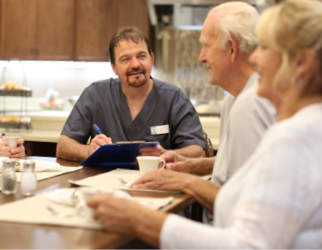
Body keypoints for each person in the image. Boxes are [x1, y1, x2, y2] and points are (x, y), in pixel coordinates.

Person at [87, 0, 322, 248]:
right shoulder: (305, 127)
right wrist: (192, 168)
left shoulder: (293, 137)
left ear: (301, 63)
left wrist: (140, 219)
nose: (256, 57)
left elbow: (247, 244)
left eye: (265, 48)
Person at [133, 1, 277, 224]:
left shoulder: (250, 105)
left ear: (231, 49)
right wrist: (190, 166)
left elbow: (245, 207)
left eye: (206, 47)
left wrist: (182, 181)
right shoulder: (234, 100)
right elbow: (243, 166)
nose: (201, 57)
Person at [56, 26, 205, 162]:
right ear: (114, 67)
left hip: (157, 184)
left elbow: (198, 151)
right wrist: (89, 150)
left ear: (151, 60)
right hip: (106, 186)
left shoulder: (174, 98)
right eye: (125, 59)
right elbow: (63, 146)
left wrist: (164, 154)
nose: (135, 64)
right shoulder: (95, 95)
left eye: (141, 56)